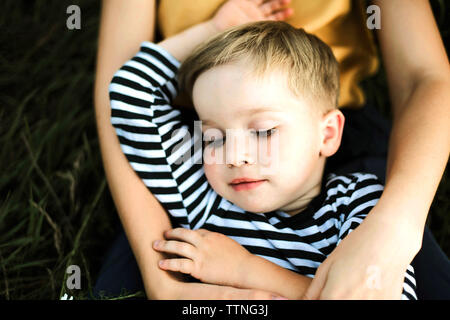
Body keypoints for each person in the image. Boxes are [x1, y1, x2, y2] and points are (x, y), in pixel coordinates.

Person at [93, 0, 450, 299]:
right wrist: (213, 29)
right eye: (213, 137)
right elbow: (128, 94)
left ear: (326, 135)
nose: (235, 156)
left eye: (263, 132)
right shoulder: (202, 198)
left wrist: (245, 271)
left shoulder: (358, 204)